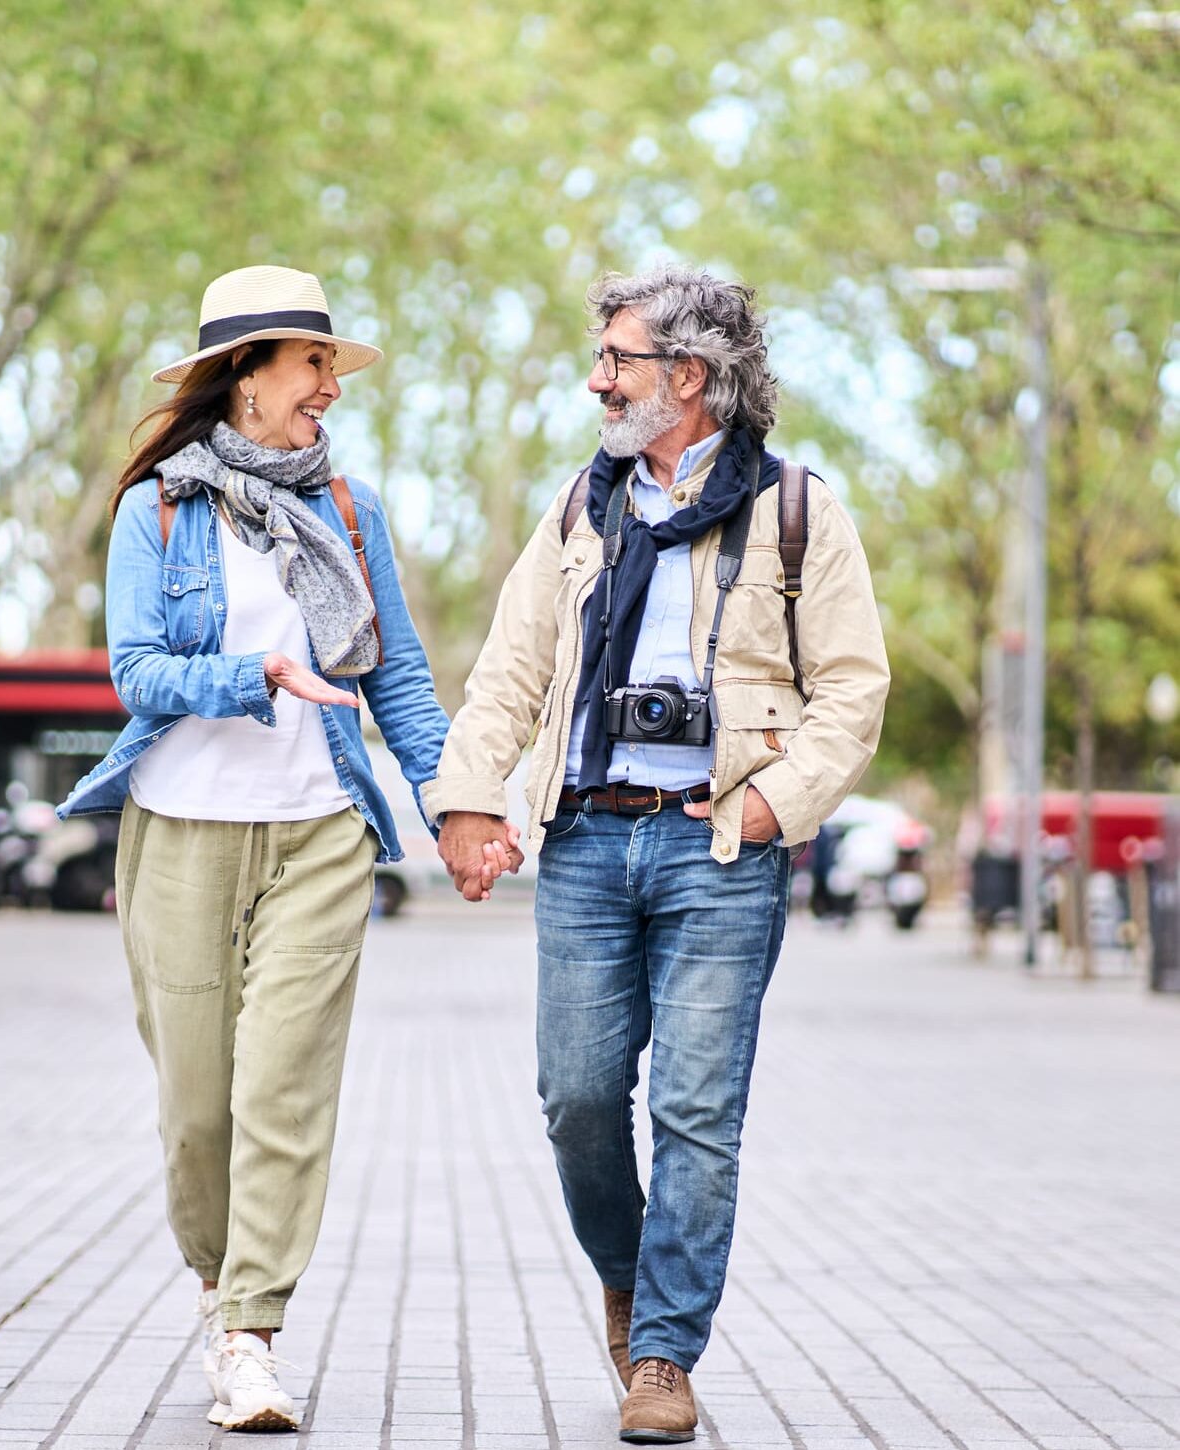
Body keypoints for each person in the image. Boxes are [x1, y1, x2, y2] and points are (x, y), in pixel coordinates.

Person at [424, 265, 890, 1444]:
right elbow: (510, 674)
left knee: (696, 1108)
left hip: (721, 848)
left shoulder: (795, 511)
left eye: (617, 361)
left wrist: (775, 807)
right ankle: (628, 1280)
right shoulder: (584, 507)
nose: (597, 381)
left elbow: (850, 690)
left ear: (688, 376)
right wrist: (469, 799)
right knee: (577, 1096)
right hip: (586, 835)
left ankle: (664, 1352)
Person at [58, 265, 514, 1433]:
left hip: (319, 832)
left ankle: (252, 1335)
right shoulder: (159, 509)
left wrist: (457, 806)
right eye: (311, 366)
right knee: (198, 1112)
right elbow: (138, 672)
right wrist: (251, 673)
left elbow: (398, 676)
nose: (329, 390)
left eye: (328, 367)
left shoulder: (350, 516)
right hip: (181, 836)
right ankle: (220, 1292)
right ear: (246, 376)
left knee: (283, 1090)